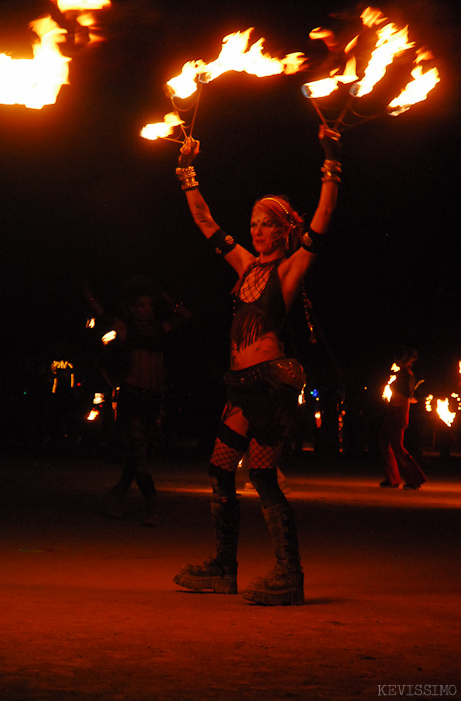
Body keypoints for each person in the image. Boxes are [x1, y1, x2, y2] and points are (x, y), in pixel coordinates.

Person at [173, 125, 342, 605]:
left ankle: (290, 576)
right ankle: (225, 568)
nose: (256, 230)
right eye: (252, 223)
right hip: (241, 385)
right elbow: (206, 222)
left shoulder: (289, 270)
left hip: (270, 384)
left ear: (285, 228)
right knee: (220, 467)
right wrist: (187, 172)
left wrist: (331, 159)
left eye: (266, 223)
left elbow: (325, 214)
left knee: (263, 475)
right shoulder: (247, 266)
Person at [86, 275, 190, 525]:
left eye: (149, 305)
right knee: (140, 457)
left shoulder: (159, 330)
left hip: (154, 401)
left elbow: (185, 315)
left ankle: (117, 493)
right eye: (141, 305)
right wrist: (87, 293)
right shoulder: (126, 329)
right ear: (132, 308)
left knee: (138, 456)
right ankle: (153, 507)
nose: (146, 309)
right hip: (132, 398)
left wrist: (165, 297)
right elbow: (100, 312)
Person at [379, 346, 427, 490]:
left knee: (397, 448)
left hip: (398, 413)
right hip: (392, 411)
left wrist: (403, 417)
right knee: (384, 443)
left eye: (397, 358)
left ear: (403, 360)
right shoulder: (401, 374)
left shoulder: (407, 376)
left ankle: (415, 479)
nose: (395, 360)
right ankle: (393, 478)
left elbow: (406, 398)